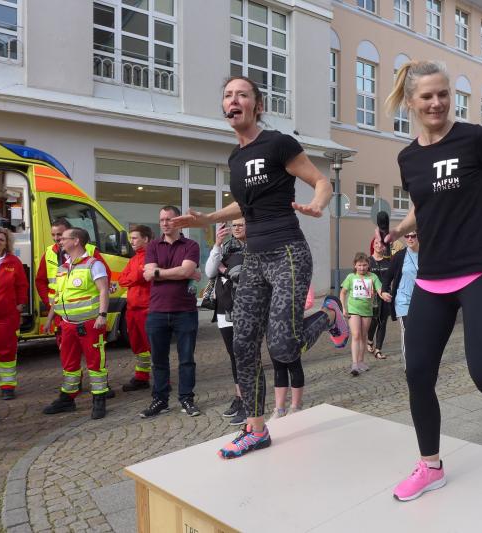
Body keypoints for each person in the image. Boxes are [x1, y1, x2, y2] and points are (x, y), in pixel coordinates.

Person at [382, 60, 482, 501]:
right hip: (431, 278)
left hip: (477, 271)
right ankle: (430, 466)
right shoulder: (408, 158)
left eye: (443, 94)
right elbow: (422, 205)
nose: (437, 102)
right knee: (417, 374)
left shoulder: (474, 138)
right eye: (427, 96)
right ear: (411, 102)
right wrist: (397, 230)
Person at [171, 76, 347, 459]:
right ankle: (256, 429)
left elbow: (320, 180)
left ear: (258, 105)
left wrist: (318, 204)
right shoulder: (234, 158)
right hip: (254, 258)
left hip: (288, 253)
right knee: (243, 342)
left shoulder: (278, 143)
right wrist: (208, 219)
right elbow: (243, 205)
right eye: (228, 95)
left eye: (242, 94)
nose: (233, 100)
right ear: (224, 108)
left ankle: (329, 315)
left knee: (283, 346)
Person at [138, 206, 202, 419]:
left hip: (185, 311)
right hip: (157, 311)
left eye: (169, 219)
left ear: (179, 221)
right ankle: (160, 400)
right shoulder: (153, 245)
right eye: (162, 220)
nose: (164, 223)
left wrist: (160, 272)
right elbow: (149, 274)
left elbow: (186, 270)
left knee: (186, 359)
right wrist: (181, 273)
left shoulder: (191, 245)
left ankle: (187, 399)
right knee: (158, 360)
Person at [42, 228, 110, 419]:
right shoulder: (63, 267)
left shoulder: (93, 264)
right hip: (67, 324)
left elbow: (104, 290)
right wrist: (49, 319)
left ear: (76, 240)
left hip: (89, 324)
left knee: (95, 363)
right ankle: (67, 399)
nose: (60, 241)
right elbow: (58, 296)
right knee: (69, 363)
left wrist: (102, 315)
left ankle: (99, 400)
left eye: (64, 238)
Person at [204, 219, 247, 425]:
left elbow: (246, 276)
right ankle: (239, 397)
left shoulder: (256, 246)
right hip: (224, 309)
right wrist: (217, 245)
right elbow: (209, 271)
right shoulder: (226, 247)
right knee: (234, 356)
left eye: (241, 224)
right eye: (234, 225)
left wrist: (225, 270)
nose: (236, 228)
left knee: (246, 356)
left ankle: (249, 400)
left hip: (246, 310)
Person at [0, 227, 28, 400]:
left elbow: (22, 285)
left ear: (6, 244)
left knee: (6, 351)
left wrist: (20, 305)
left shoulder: (13, 262)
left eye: (1, 239)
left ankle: (7, 387)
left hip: (6, 315)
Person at [340, 252, 390, 376]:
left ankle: (361, 361)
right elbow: (343, 292)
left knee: (363, 336)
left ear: (368, 265)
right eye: (359, 265)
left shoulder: (373, 277)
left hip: (367, 310)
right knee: (356, 335)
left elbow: (379, 289)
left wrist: (384, 295)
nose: (362, 268)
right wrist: (343, 308)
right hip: (353, 309)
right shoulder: (351, 277)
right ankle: (354, 364)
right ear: (355, 265)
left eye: (364, 265)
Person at [118, 225, 153, 393]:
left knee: (153, 345)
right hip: (132, 309)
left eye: (134, 238)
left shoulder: (151, 257)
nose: (131, 241)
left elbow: (140, 276)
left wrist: (134, 277)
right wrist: (136, 276)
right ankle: (141, 377)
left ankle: (163, 379)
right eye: (130, 238)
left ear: (145, 239)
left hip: (147, 308)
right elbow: (121, 280)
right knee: (138, 345)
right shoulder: (133, 260)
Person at [380, 231, 419, 370]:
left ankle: (422, 364)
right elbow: (388, 276)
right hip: (403, 300)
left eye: (413, 235)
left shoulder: (427, 255)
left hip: (421, 301)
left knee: (421, 334)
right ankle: (410, 368)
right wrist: (384, 291)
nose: (410, 238)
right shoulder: (400, 256)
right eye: (407, 236)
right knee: (408, 332)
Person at [367, 238, 392, 359]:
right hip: (372, 296)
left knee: (383, 321)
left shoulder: (389, 261)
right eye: (376, 243)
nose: (378, 245)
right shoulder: (368, 261)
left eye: (381, 243)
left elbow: (394, 276)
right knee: (374, 320)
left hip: (386, 295)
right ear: (372, 245)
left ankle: (378, 349)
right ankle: (369, 340)